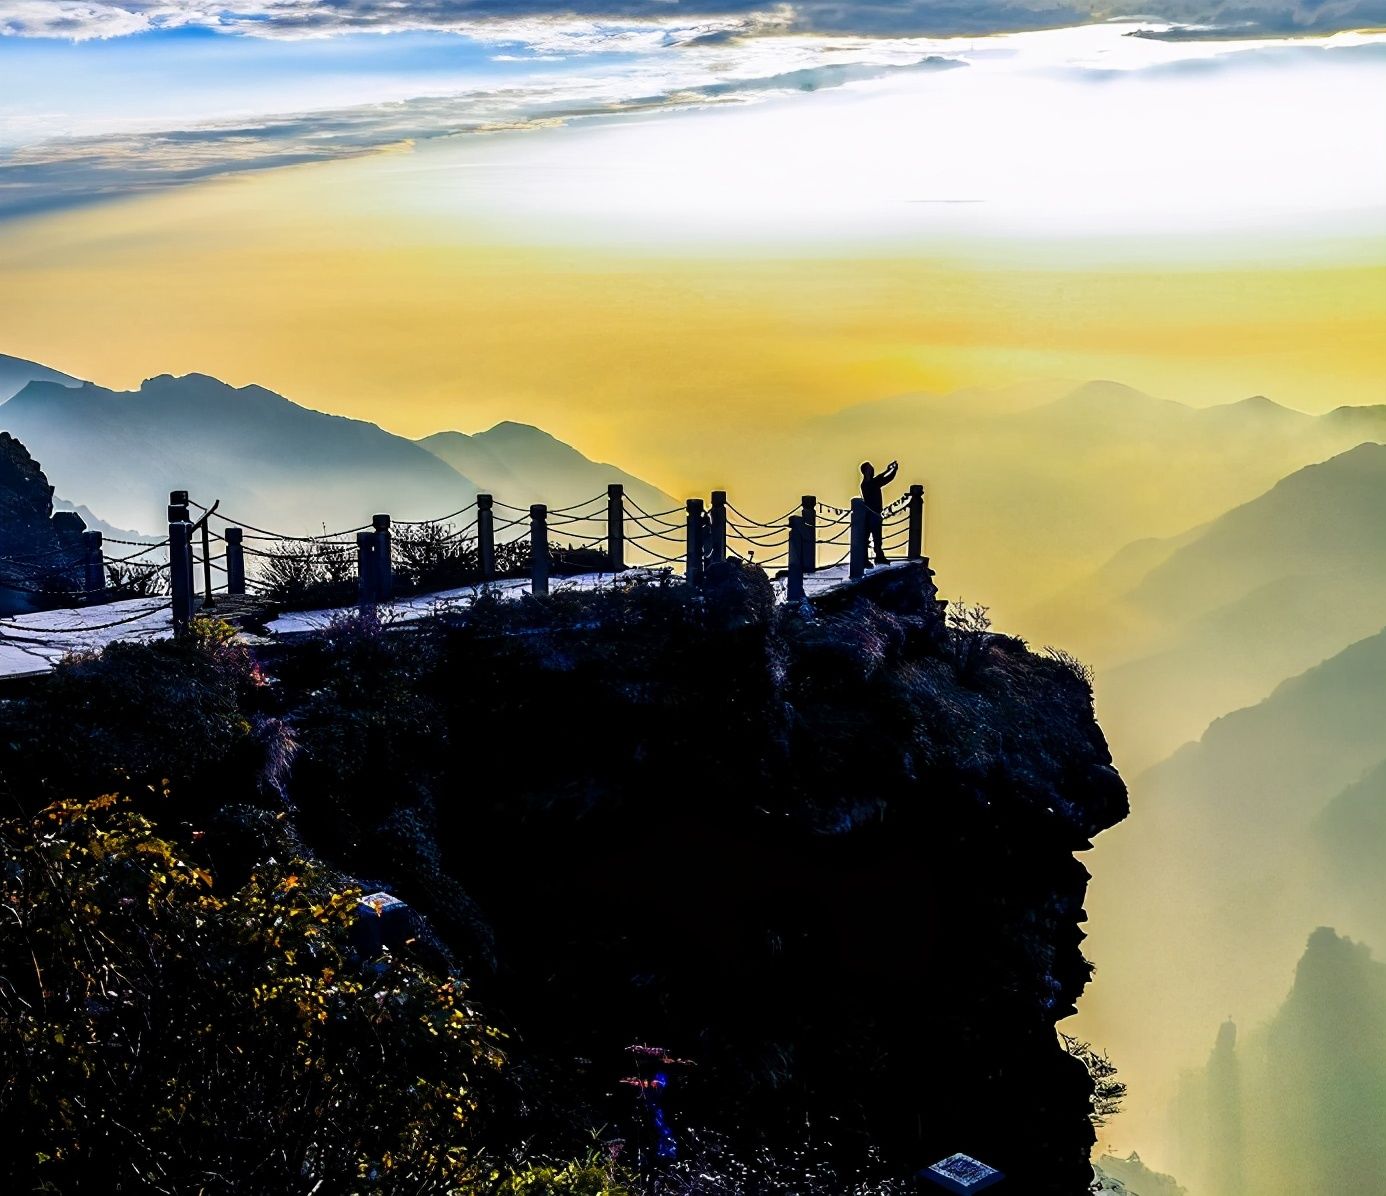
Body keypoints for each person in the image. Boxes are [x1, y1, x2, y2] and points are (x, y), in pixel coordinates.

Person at [859, 459, 898, 565]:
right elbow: (884, 478)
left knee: (874, 539)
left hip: (872, 515)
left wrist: (890, 470)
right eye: (869, 468)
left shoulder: (868, 483)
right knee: (872, 539)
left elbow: (883, 478)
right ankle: (873, 558)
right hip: (872, 515)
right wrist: (892, 470)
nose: (872, 470)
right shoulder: (868, 484)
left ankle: (873, 558)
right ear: (866, 471)